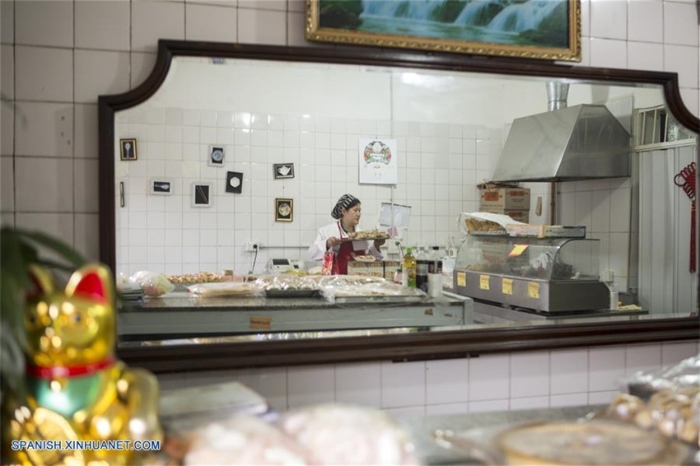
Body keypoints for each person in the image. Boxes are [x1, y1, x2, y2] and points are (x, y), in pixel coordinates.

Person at [308, 194, 385, 275]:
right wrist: (327, 244)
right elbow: (312, 254)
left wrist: (376, 245)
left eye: (359, 210)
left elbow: (369, 258)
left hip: (357, 280)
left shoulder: (361, 234)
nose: (358, 214)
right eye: (355, 210)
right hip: (334, 280)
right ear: (343, 211)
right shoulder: (327, 231)